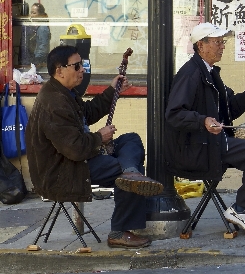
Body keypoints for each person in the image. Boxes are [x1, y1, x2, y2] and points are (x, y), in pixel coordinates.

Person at [25, 45, 164, 248]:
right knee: (122, 173)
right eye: (77, 66)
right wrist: (99, 137)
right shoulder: (54, 102)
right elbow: (74, 149)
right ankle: (119, 230)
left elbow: (87, 113)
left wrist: (111, 91)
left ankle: (131, 172)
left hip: (79, 158)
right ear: (59, 70)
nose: (82, 69)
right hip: (63, 170)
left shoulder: (64, 93)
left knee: (130, 140)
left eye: (82, 65)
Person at [164, 22, 245, 236]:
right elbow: (174, 114)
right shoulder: (191, 74)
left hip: (212, 142)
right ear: (201, 45)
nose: (222, 46)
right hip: (197, 149)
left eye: (222, 42)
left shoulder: (209, 72)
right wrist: (203, 120)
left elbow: (228, 109)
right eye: (217, 42)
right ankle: (241, 208)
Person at [19, 3, 51, 67]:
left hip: (39, 60)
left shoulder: (43, 28)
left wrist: (37, 60)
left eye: (34, 13)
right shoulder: (36, 27)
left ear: (40, 15)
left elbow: (43, 47)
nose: (31, 15)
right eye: (31, 13)